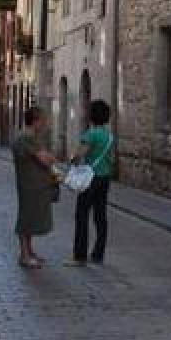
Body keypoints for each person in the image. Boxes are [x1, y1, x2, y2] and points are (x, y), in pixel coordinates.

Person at [65, 100, 114, 267]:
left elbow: (79, 156)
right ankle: (98, 254)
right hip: (104, 178)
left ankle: (80, 256)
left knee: (82, 215)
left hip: (90, 179)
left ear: (92, 116)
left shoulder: (90, 134)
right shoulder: (109, 136)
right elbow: (110, 159)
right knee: (101, 217)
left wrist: (72, 159)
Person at [12, 106, 58, 268]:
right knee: (26, 218)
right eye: (43, 120)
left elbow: (46, 156)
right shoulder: (26, 138)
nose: (45, 124)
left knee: (31, 218)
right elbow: (46, 159)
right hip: (29, 185)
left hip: (35, 184)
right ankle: (24, 255)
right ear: (36, 121)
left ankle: (29, 251)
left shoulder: (32, 138)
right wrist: (49, 157)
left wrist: (48, 156)